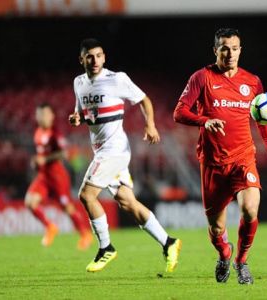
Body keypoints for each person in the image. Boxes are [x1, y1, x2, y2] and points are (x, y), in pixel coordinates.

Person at [173, 28, 267, 284]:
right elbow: (179, 112)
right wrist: (204, 121)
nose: (230, 53)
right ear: (215, 50)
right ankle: (225, 254)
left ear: (240, 50)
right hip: (213, 162)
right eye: (224, 48)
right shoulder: (201, 78)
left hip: (243, 157)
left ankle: (242, 261)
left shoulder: (252, 82)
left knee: (250, 209)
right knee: (216, 228)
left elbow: (262, 120)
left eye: (235, 48)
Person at [68, 38, 182, 273]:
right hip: (101, 150)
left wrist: (150, 125)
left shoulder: (116, 79)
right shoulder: (79, 83)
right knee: (127, 202)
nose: (95, 60)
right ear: (82, 59)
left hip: (115, 150)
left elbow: (144, 99)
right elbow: (82, 112)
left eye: (99, 55)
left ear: (104, 57)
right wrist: (77, 117)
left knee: (86, 195)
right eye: (89, 56)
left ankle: (106, 247)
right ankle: (169, 242)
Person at [25, 103, 93, 249]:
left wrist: (45, 159)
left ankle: (85, 234)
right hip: (43, 176)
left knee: (67, 208)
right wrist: (37, 161)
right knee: (30, 202)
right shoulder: (38, 132)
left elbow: (64, 153)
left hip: (57, 177)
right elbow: (42, 153)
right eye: (39, 114)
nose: (42, 117)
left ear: (51, 116)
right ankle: (50, 227)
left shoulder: (55, 133)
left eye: (45, 114)